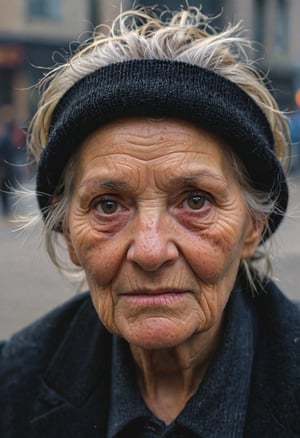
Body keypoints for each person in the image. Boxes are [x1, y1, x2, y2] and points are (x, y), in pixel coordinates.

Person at [0, 6, 299, 437]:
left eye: (196, 201)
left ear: (253, 225)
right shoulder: (15, 390)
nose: (151, 250)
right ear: (66, 231)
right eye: (107, 206)